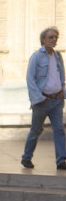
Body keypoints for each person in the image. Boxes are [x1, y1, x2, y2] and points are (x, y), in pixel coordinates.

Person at [21, 27, 66, 170]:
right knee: (36, 130)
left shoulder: (58, 56)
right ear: (43, 39)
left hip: (57, 101)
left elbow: (61, 77)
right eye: (51, 37)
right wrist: (38, 98)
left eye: (56, 37)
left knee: (59, 130)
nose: (54, 40)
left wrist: (62, 92)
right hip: (42, 101)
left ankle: (61, 161)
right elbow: (30, 79)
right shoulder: (36, 56)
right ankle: (26, 157)